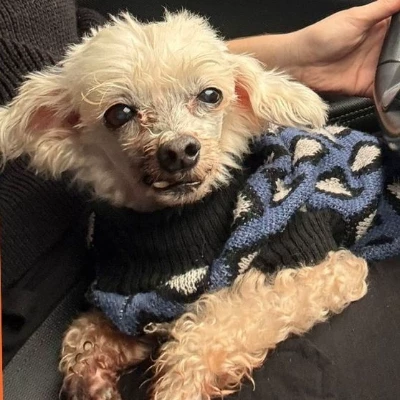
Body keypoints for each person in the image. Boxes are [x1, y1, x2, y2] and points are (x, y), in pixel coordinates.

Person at [2, 0, 400, 398]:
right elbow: (156, 296)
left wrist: (201, 356)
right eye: (122, 114)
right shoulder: (119, 251)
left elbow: (337, 274)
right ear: (65, 125)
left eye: (208, 98)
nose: (178, 143)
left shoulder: (271, 212)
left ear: (240, 97)